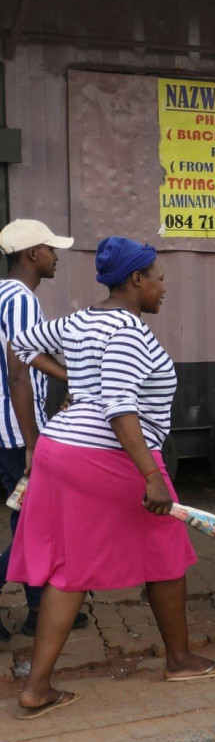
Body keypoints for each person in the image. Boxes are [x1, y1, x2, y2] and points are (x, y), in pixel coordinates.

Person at [10, 237, 215, 719]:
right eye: (159, 278)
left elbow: (22, 345)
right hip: (106, 456)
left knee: (91, 563)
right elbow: (120, 407)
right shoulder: (130, 332)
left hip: (61, 447)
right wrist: (152, 476)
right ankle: (178, 660)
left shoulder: (80, 319)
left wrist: (75, 383)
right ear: (136, 280)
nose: (163, 288)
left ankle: (37, 688)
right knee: (156, 551)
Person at [0, 220, 86, 644]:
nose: (56, 256)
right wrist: (34, 440)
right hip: (16, 432)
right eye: (51, 249)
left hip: (13, 428)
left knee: (28, 518)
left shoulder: (6, 295)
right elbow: (20, 371)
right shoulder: (19, 299)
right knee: (36, 522)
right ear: (31, 253)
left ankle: (39, 608)